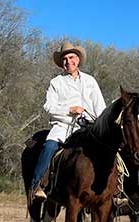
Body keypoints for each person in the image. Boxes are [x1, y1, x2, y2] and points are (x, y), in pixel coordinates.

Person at [31, 42, 107, 200]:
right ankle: (37, 184)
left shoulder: (90, 81)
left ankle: (117, 189)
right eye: (64, 59)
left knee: (112, 148)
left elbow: (100, 107)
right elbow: (48, 106)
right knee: (49, 146)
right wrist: (69, 109)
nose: (68, 61)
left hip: (88, 127)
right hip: (63, 126)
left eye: (71, 57)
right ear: (61, 63)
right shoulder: (56, 83)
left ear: (78, 60)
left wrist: (102, 125)